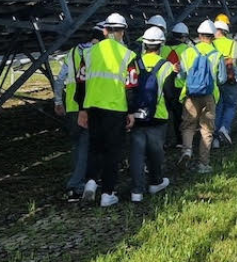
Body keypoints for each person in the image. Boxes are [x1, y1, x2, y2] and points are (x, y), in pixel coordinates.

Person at [76, 13, 136, 207]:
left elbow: (80, 82)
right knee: (112, 151)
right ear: (123, 31)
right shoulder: (127, 55)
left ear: (104, 30)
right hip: (116, 108)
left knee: (95, 147)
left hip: (93, 107)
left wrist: (82, 109)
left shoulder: (89, 53)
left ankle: (91, 183)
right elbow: (131, 86)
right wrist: (131, 112)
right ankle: (108, 193)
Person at [128, 27, 178, 201]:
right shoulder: (166, 66)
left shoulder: (135, 63)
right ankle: (155, 182)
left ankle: (136, 191)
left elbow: (130, 89)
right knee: (155, 152)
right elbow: (170, 93)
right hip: (158, 115)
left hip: (136, 115)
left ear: (145, 43)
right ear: (160, 44)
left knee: (136, 153)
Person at [51, 24, 99, 201]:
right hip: (87, 107)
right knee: (86, 147)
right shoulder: (96, 53)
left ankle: (84, 181)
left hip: (71, 107)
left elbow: (60, 79)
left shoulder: (71, 54)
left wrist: (57, 101)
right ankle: (77, 185)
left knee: (79, 146)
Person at [175, 20, 225, 173]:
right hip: (209, 95)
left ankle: (187, 151)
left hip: (190, 94)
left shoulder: (188, 52)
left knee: (188, 125)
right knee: (206, 129)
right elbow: (221, 78)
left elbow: (181, 76)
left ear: (198, 35)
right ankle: (203, 164)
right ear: (213, 36)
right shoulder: (217, 55)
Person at [211, 16, 237, 148]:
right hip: (230, 78)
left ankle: (215, 139)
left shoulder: (211, 44)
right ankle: (225, 128)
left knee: (218, 107)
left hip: (216, 79)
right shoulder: (233, 43)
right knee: (231, 105)